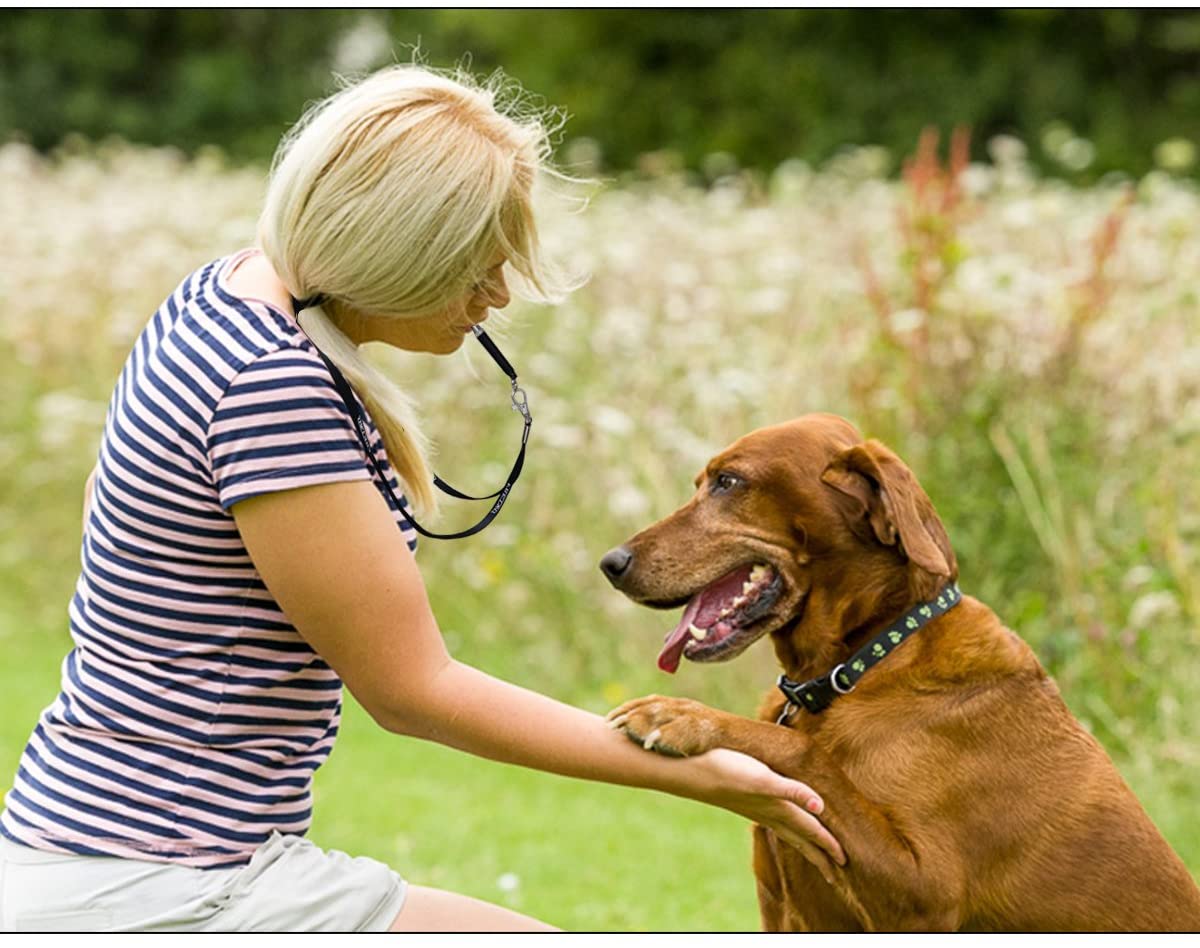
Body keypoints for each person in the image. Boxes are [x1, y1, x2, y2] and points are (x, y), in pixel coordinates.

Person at [0, 64, 843, 933]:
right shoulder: (269, 388)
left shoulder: (229, 292)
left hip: (106, 846)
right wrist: (695, 768)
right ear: (396, 250)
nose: (498, 294)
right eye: (478, 266)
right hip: (161, 879)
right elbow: (412, 692)